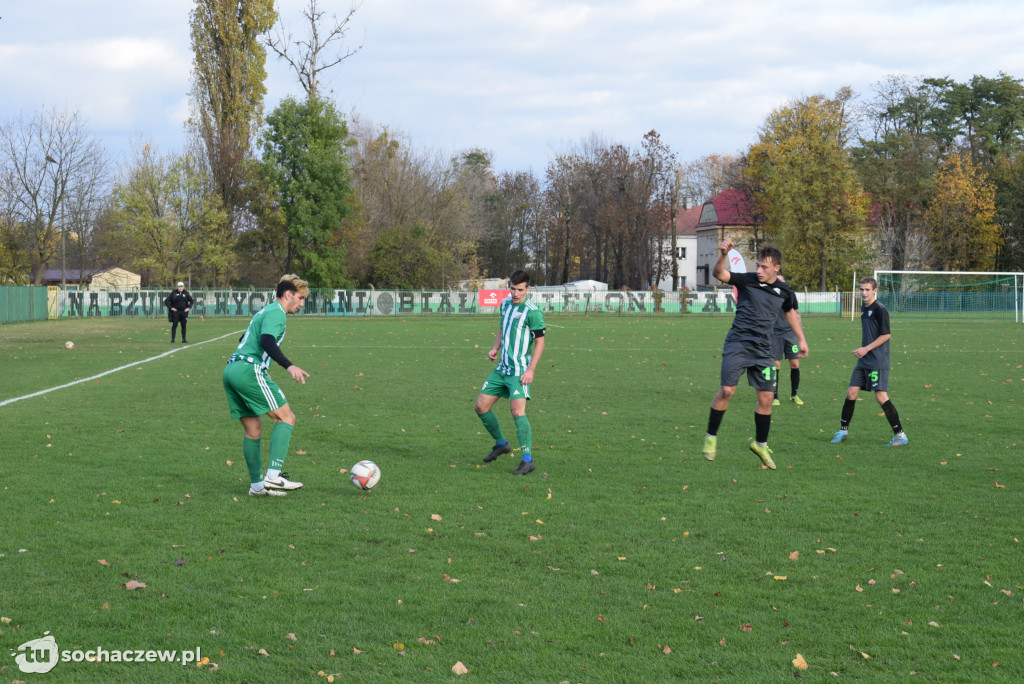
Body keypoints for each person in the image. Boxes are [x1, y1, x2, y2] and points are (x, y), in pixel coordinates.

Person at [702, 240, 808, 469]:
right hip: (739, 344)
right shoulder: (747, 280)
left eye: (764, 267)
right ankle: (711, 436)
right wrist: (723, 254)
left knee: (767, 398)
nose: (759, 270)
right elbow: (719, 273)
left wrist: (801, 338)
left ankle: (760, 444)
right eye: (758, 265)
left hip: (763, 350)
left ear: (777, 268)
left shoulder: (784, 291)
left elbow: (790, 312)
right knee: (727, 390)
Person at [222, 274, 310, 496]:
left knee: (253, 429)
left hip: (232, 370)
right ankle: (273, 476)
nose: (301, 303)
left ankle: (257, 486)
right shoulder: (277, 312)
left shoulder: (265, 311)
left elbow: (246, 338)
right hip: (247, 371)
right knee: (286, 417)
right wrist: (288, 366)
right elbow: (266, 341)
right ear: (288, 294)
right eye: (300, 298)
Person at [474, 269, 546, 475]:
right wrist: (495, 347)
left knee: (517, 412)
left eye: (520, 290)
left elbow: (540, 343)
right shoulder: (505, 304)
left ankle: (527, 460)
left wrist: (531, 370)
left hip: (519, 371)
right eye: (513, 289)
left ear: (528, 289)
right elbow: (502, 328)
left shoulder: (533, 311)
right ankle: (502, 444)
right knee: (480, 406)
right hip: (502, 368)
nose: (515, 293)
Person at [831, 277, 908, 446]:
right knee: (851, 393)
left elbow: (886, 335)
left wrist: (866, 348)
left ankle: (900, 435)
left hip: (877, 360)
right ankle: (843, 431)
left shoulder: (880, 309)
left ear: (875, 291)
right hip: (864, 360)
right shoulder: (864, 308)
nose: (864, 293)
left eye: (867, 289)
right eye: (862, 289)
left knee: (881, 396)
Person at [771, 274, 804, 406]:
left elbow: (796, 313)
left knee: (795, 364)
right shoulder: (770, 296)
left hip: (790, 334)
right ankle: (775, 396)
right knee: (776, 365)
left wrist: (799, 333)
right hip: (775, 334)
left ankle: (794, 395)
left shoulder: (790, 294)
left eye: (781, 281)